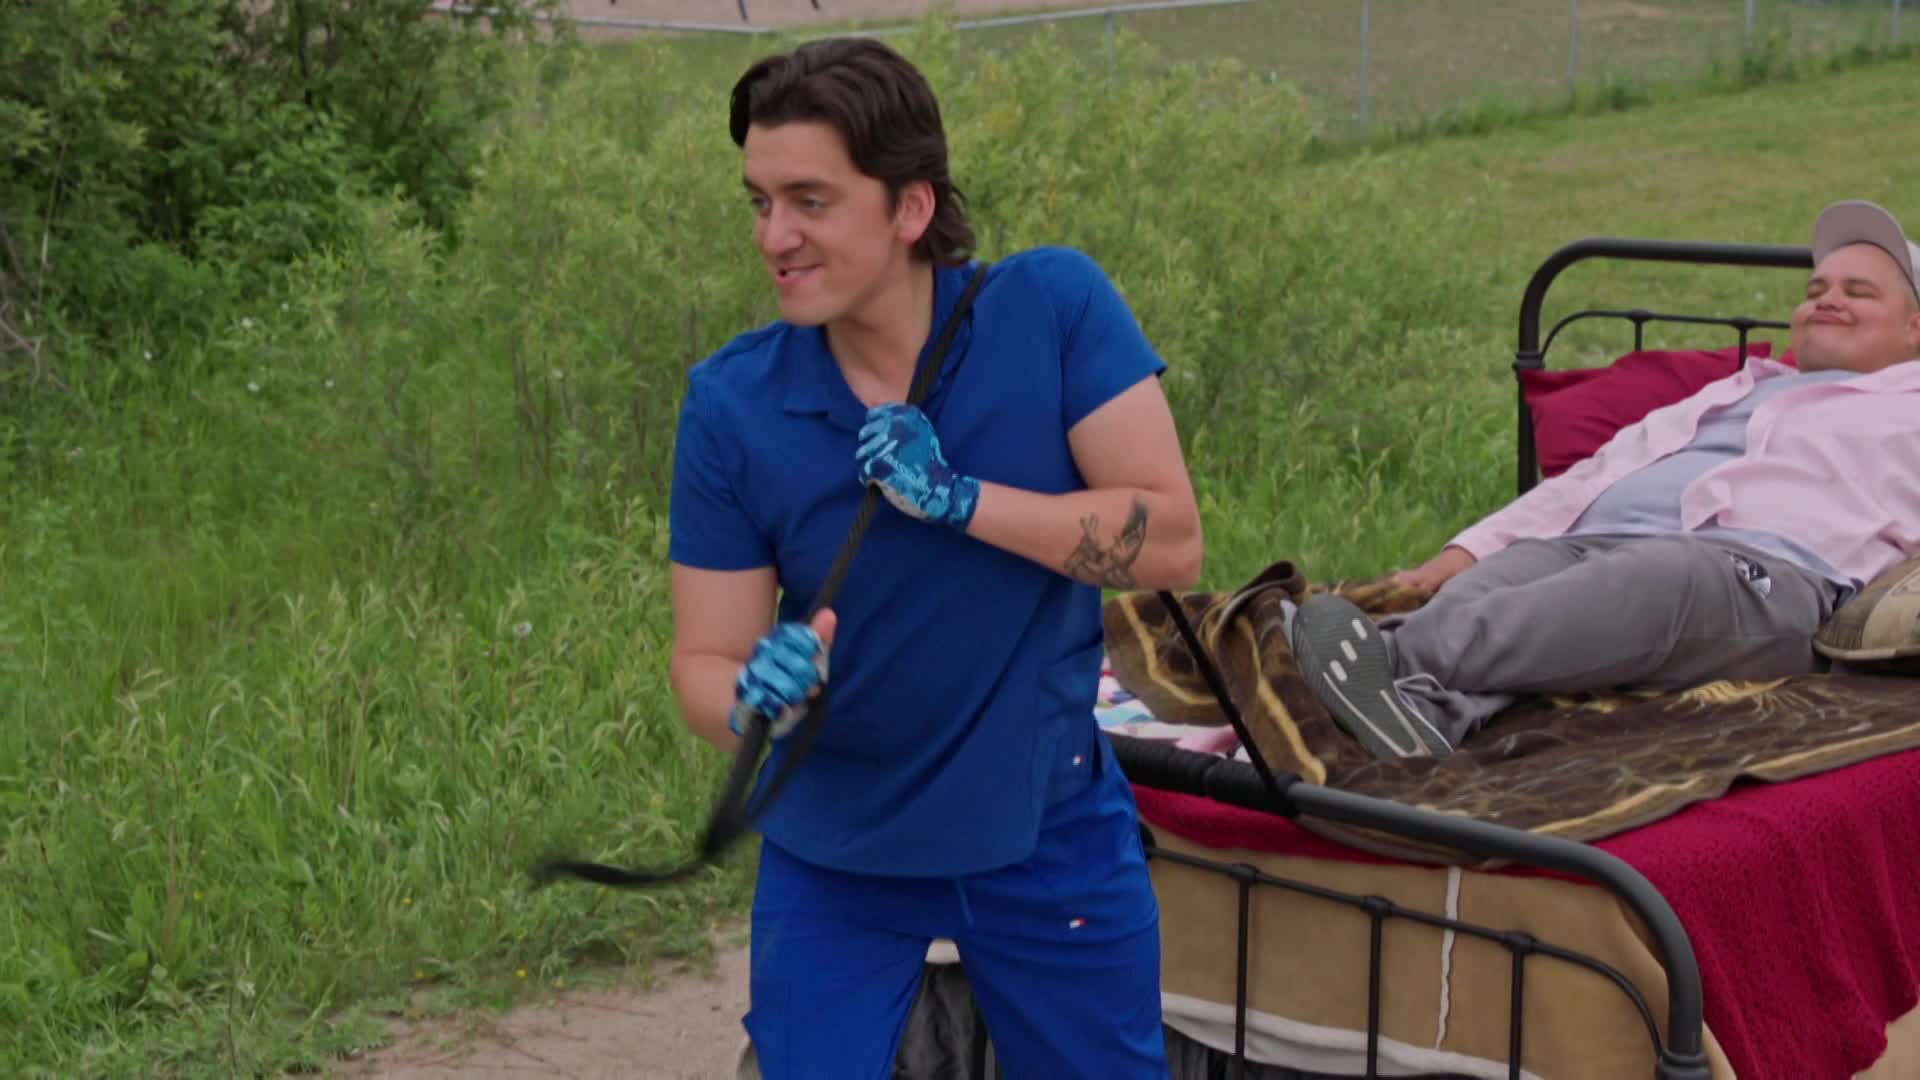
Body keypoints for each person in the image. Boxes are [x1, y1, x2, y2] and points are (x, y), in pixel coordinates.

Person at [666, 37, 1202, 1079]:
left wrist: (960, 501)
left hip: (1046, 829)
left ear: (910, 206)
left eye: (810, 201)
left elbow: (1170, 540)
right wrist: (753, 698)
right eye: (760, 202)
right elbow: (704, 663)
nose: (774, 236)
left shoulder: (1052, 310)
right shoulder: (735, 404)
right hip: (836, 848)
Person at [1291, 199, 1920, 760]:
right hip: (1590, 540)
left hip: (1756, 574)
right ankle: (1425, 715)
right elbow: (1594, 474)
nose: (1826, 299)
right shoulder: (1732, 390)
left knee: (1656, 581)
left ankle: (1378, 655)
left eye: (1858, 292)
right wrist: (1466, 551)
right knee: (1501, 584)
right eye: (1815, 289)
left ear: (1915, 327)